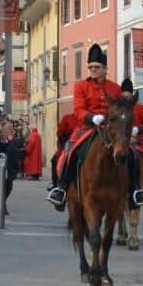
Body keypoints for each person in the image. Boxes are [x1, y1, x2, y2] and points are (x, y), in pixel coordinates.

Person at [47, 44, 124, 211]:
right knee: (70, 152)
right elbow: (78, 109)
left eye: (97, 67)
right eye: (90, 67)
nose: (93, 70)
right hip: (87, 127)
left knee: (128, 153)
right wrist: (91, 117)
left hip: (110, 129)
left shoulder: (115, 88)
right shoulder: (81, 86)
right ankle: (62, 188)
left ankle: (134, 190)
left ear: (105, 69)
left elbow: (120, 110)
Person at [119, 79, 143, 206]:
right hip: (121, 141)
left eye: (128, 96)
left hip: (138, 141)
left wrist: (137, 129)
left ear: (132, 95)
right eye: (124, 96)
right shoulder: (118, 108)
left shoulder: (140, 108)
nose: (126, 98)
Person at [51, 112, 79, 191]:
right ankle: (57, 185)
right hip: (70, 141)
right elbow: (60, 133)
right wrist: (64, 144)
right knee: (55, 160)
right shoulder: (67, 118)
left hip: (85, 136)